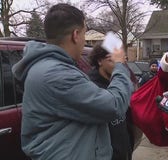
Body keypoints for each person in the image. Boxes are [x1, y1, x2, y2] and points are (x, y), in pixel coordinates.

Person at [12, 3, 133, 160]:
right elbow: (114, 105)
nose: (84, 40)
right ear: (76, 35)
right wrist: (120, 65)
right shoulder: (56, 74)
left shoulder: (51, 67)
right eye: (84, 33)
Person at [87, 45, 133, 160]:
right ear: (99, 61)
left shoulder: (120, 85)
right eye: (111, 59)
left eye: (120, 60)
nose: (118, 65)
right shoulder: (91, 88)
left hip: (123, 151)